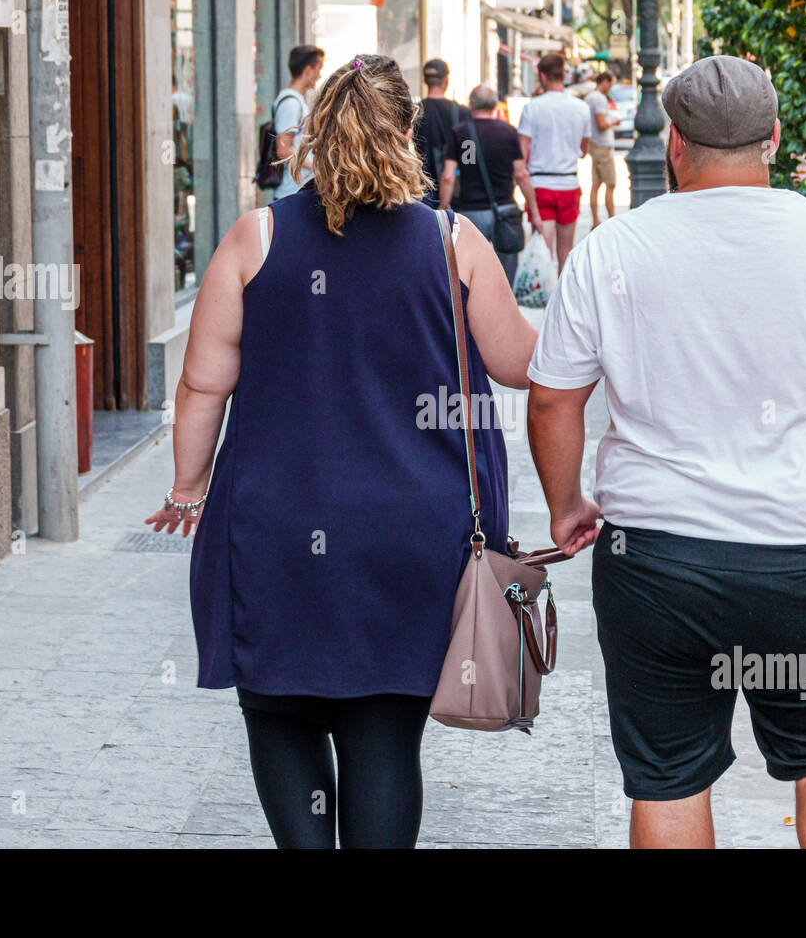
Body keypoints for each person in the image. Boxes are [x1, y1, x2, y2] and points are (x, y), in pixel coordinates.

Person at [525, 55, 806, 849]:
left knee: (670, 774)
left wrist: (567, 505)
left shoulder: (612, 250)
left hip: (658, 563)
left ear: (675, 144)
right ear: (774, 138)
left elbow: (553, 399)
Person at [147, 54, 538, 849]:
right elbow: (522, 364)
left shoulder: (255, 239)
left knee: (280, 716)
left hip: (277, 533)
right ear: (407, 134)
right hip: (412, 539)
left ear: (314, 129)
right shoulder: (451, 241)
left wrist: (189, 489)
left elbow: (201, 388)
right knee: (387, 736)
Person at [439, 84, 543, 286]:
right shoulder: (508, 132)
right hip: (505, 211)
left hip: (472, 214)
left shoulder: (461, 133)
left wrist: (444, 207)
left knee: (469, 275)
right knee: (506, 276)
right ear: (495, 105)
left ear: (471, 105)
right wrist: (535, 213)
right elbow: (521, 174)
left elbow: (449, 176)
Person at [518, 53, 590, 273]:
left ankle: (546, 301)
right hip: (568, 183)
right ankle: (563, 300)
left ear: (542, 76)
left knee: (543, 253)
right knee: (566, 252)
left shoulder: (533, 107)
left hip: (540, 185)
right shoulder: (581, 108)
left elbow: (522, 153)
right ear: (564, 74)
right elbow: (583, 151)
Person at [413, 58, 470, 208]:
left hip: (423, 189)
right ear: (446, 80)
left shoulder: (414, 112)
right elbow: (468, 152)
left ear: (425, 81)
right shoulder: (462, 112)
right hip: (457, 191)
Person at [271, 44, 325, 201]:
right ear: (308, 70)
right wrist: (316, 167)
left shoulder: (297, 101)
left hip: (296, 190)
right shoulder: (291, 103)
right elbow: (283, 150)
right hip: (290, 192)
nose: (319, 75)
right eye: (318, 69)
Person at [586, 71, 620, 228]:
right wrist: (613, 121)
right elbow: (601, 123)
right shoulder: (599, 99)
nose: (610, 88)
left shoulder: (589, 97)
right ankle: (612, 219)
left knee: (596, 184)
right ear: (605, 81)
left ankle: (595, 220)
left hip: (594, 144)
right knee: (610, 183)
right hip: (603, 145)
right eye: (611, 84)